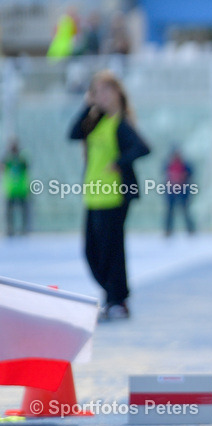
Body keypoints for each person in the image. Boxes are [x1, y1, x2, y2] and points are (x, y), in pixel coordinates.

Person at [68, 70, 151, 320]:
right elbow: (72, 134)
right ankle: (112, 295)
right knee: (91, 251)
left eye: (106, 90)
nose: (101, 96)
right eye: (97, 91)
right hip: (93, 195)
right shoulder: (95, 122)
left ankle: (117, 300)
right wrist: (87, 106)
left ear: (117, 93)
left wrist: (119, 162)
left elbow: (143, 147)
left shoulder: (119, 122)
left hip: (114, 195)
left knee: (111, 250)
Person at [164, 146, 196, 236]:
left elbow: (189, 175)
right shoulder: (169, 165)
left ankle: (191, 230)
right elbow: (166, 176)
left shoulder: (185, 165)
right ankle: (168, 231)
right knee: (170, 212)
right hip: (171, 191)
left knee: (185, 211)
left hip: (183, 191)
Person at [2, 139, 30, 236]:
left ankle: (24, 229)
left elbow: (26, 166)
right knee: (10, 213)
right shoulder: (7, 158)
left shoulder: (22, 158)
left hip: (22, 189)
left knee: (23, 212)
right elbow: (2, 168)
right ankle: (10, 229)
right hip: (11, 190)